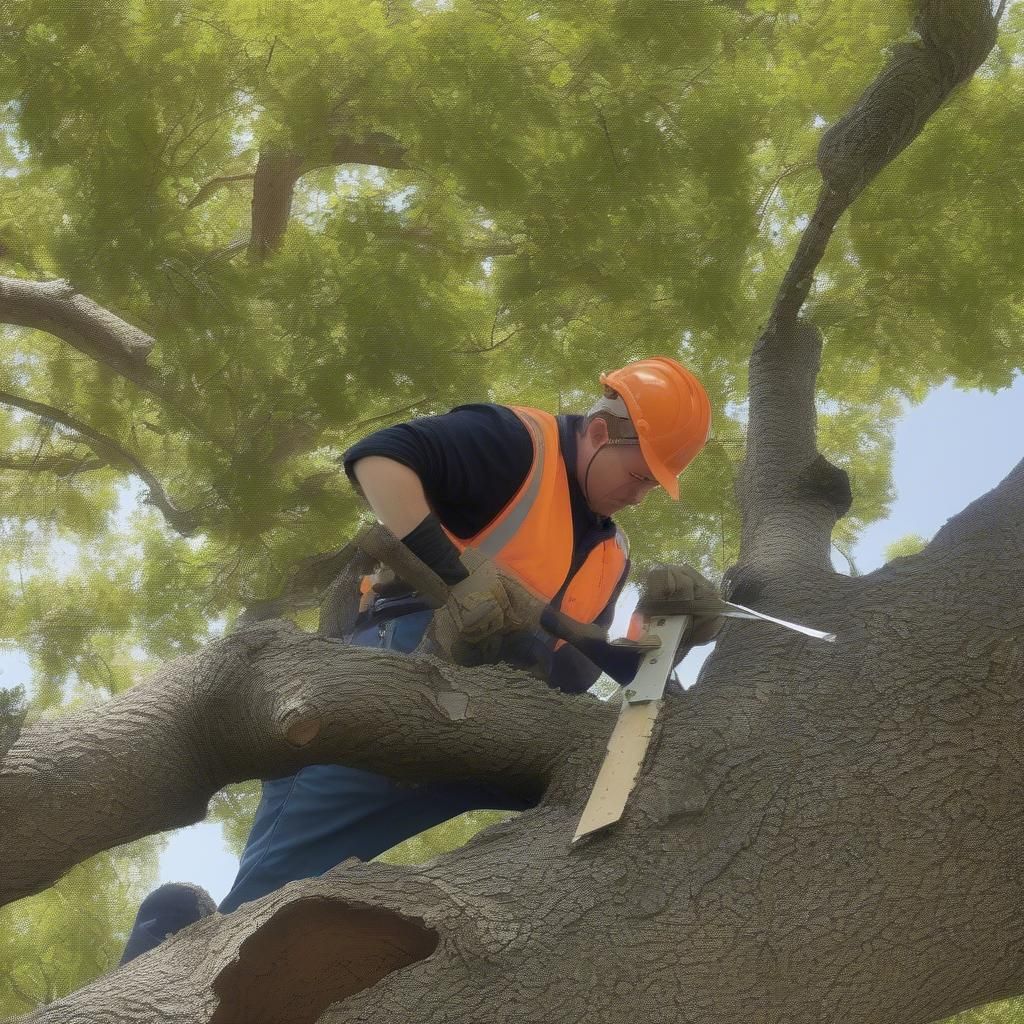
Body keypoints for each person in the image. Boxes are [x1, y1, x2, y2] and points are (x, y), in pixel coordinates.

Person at [118, 356, 723, 963]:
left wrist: (664, 633)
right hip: (394, 674)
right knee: (270, 905)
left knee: (606, 824)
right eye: (640, 475)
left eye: (651, 485)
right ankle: (169, 951)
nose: (641, 496)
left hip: (510, 716)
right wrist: (460, 580)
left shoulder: (613, 551)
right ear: (599, 434)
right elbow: (378, 458)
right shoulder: (519, 444)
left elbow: (579, 672)